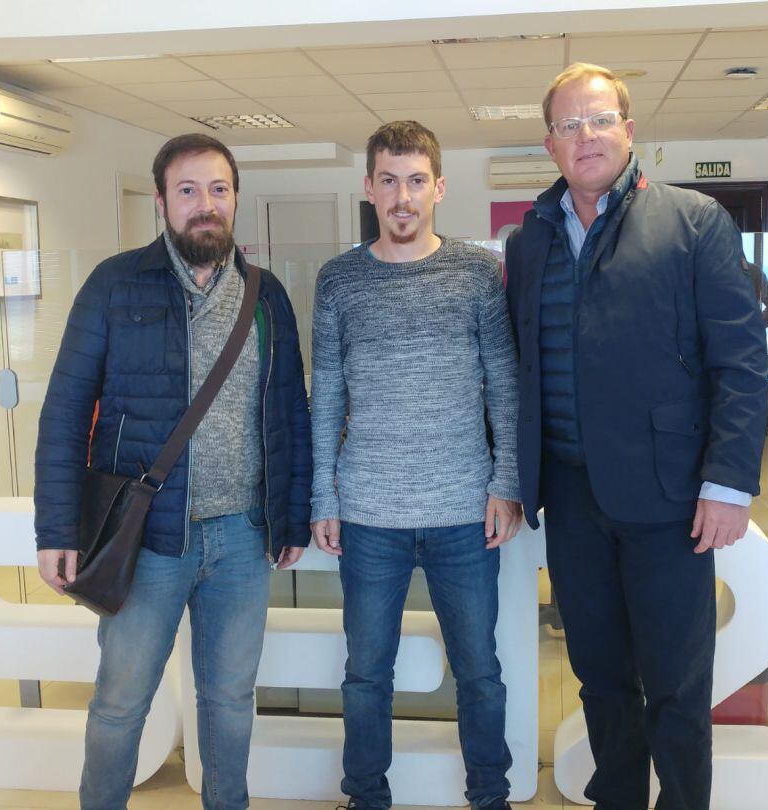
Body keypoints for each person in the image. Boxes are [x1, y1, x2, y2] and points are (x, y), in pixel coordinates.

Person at [504, 64, 768, 810]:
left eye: (598, 120)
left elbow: (742, 361)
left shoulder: (694, 222)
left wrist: (728, 481)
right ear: (550, 144)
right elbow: (522, 365)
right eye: (567, 124)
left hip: (670, 498)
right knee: (599, 674)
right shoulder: (530, 241)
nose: (583, 136)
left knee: (677, 683)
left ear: (628, 128)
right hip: (571, 496)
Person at [33, 133, 312, 810]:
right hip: (147, 537)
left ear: (236, 199)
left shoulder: (267, 295)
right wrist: (56, 529)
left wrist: (293, 515)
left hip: (243, 538)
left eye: (218, 190)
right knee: (121, 703)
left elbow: (289, 416)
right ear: (161, 201)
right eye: (187, 191)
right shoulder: (113, 284)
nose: (205, 205)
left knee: (230, 703)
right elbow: (65, 411)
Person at [309, 120, 521, 810]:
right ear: (368, 187)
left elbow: (506, 381)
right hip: (369, 515)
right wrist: (324, 497)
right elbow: (327, 396)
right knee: (367, 675)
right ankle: (366, 798)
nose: (403, 196)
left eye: (417, 181)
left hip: (465, 511)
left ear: (439, 187)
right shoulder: (339, 280)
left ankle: (489, 796)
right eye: (389, 181)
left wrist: (506, 482)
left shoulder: (477, 272)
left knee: (480, 673)